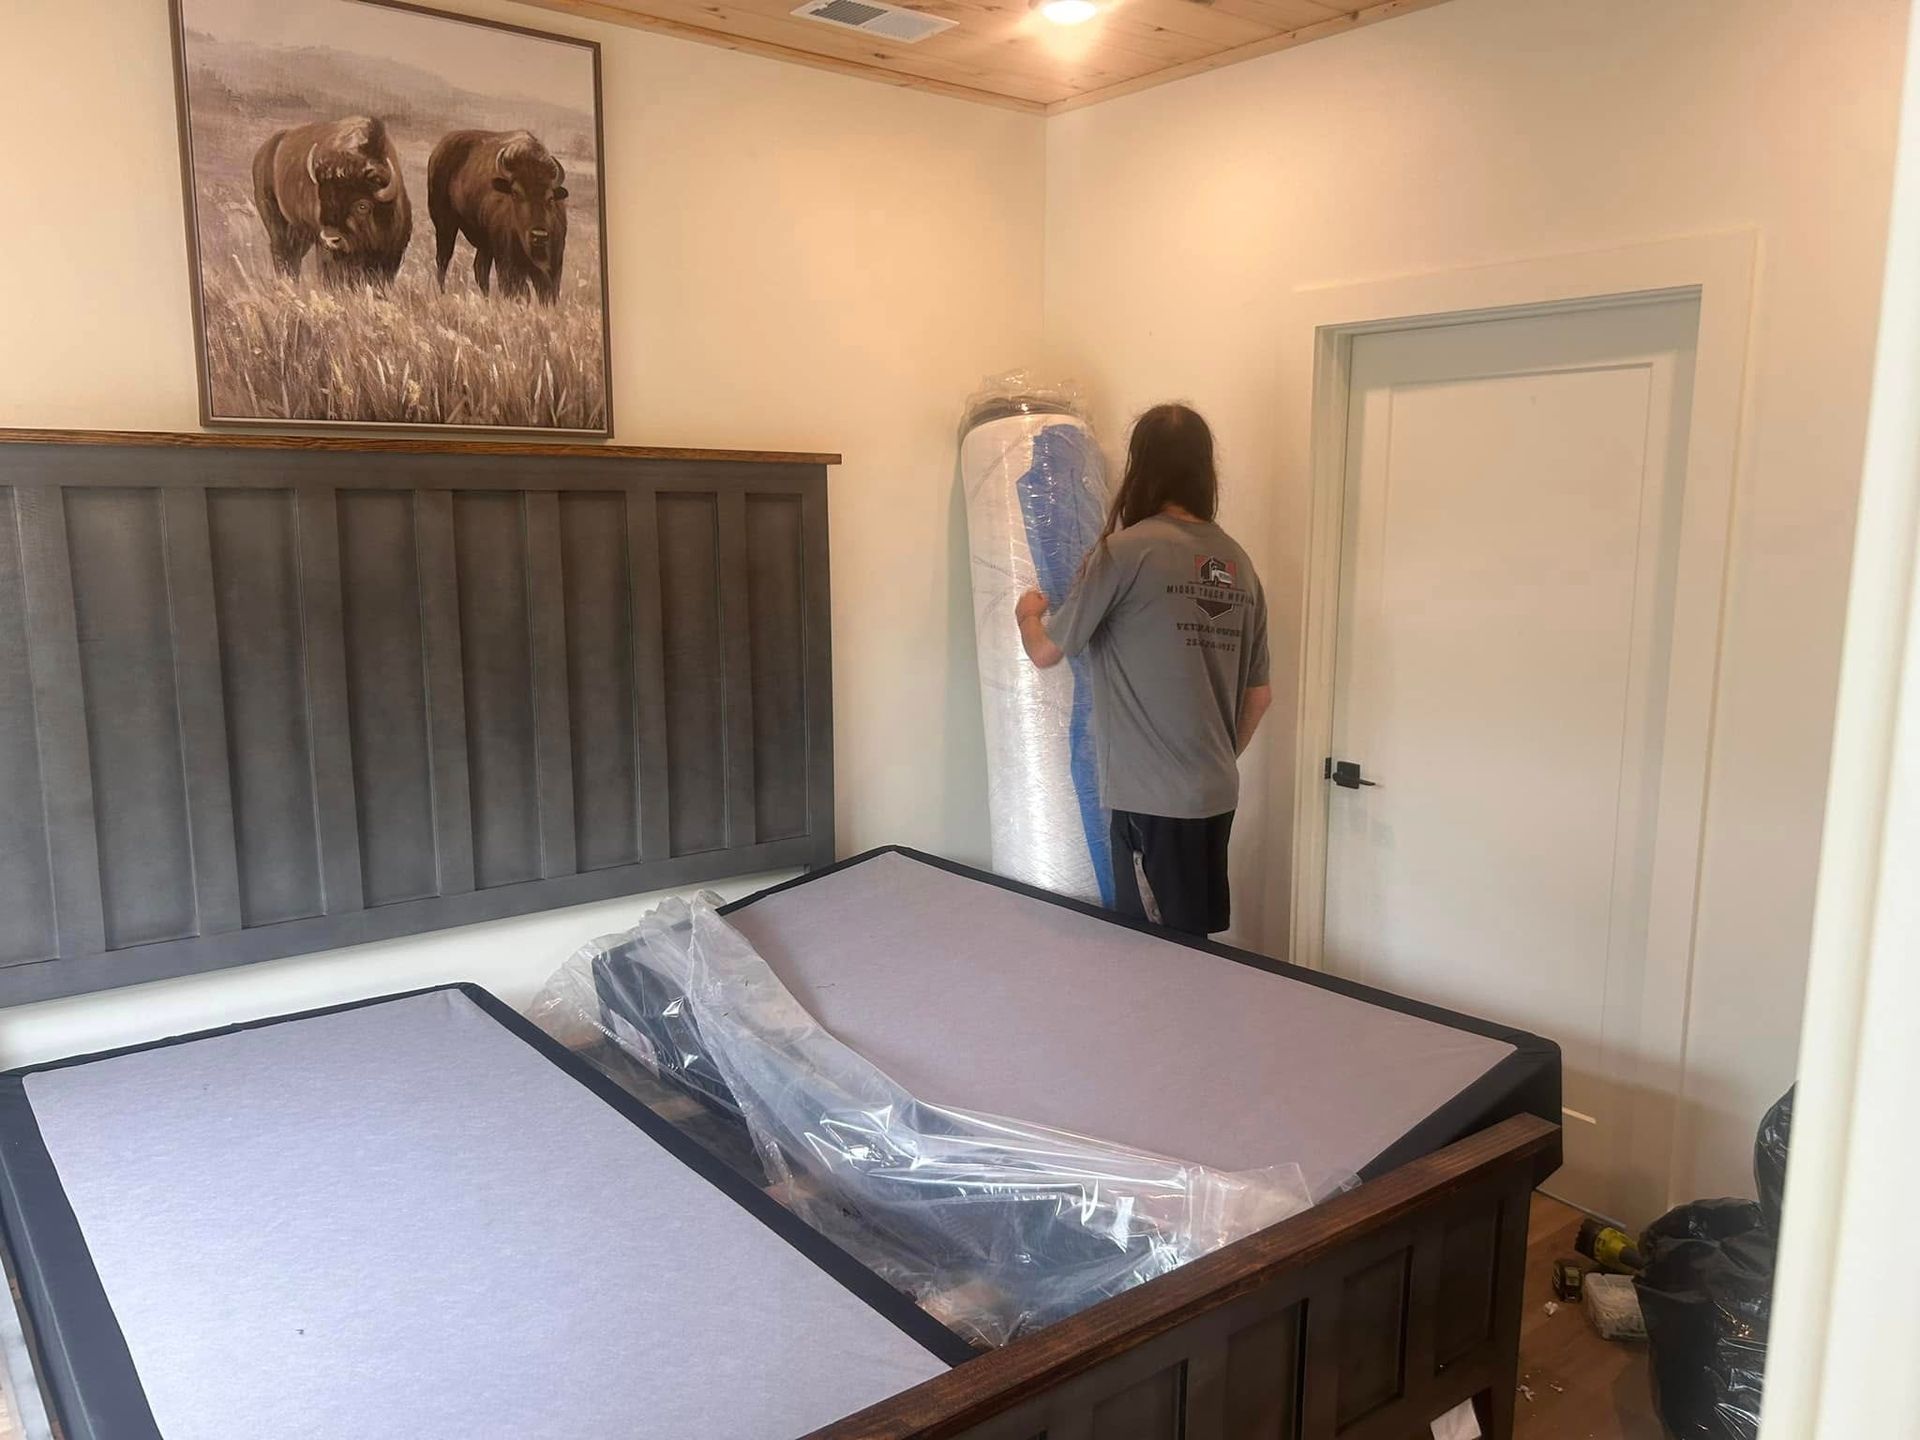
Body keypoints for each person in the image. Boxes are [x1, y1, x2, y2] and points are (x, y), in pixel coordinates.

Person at [1015, 403, 1271, 936]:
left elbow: (1045, 653)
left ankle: (1181, 1021)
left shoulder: (1125, 552)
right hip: (1216, 792)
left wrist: (1027, 613)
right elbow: (1260, 695)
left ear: (1142, 466)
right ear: (1205, 470)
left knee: (1153, 953)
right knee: (1191, 940)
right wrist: (1211, 759)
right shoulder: (1240, 563)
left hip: (1150, 802)